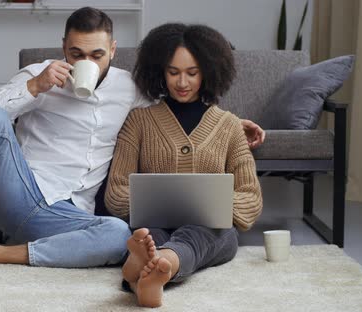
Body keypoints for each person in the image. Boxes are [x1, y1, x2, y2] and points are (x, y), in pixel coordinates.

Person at [0, 8, 264, 269]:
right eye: (76, 54)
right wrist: (35, 87)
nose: (86, 62)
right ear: (63, 47)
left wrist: (233, 122)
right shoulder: (38, 74)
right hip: (19, 192)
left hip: (69, 215)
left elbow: (177, 103)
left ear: (112, 49)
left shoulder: (130, 88)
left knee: (116, 235)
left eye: (96, 54)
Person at [104, 23, 263, 307]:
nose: (182, 83)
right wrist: (150, 203)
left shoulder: (228, 126)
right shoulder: (138, 121)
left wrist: (212, 206)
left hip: (211, 229)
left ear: (208, 72)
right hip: (153, 224)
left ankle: (146, 269)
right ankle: (155, 268)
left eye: (192, 73)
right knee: (147, 235)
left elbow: (251, 197)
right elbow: (115, 192)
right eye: (173, 72)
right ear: (160, 72)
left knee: (210, 233)